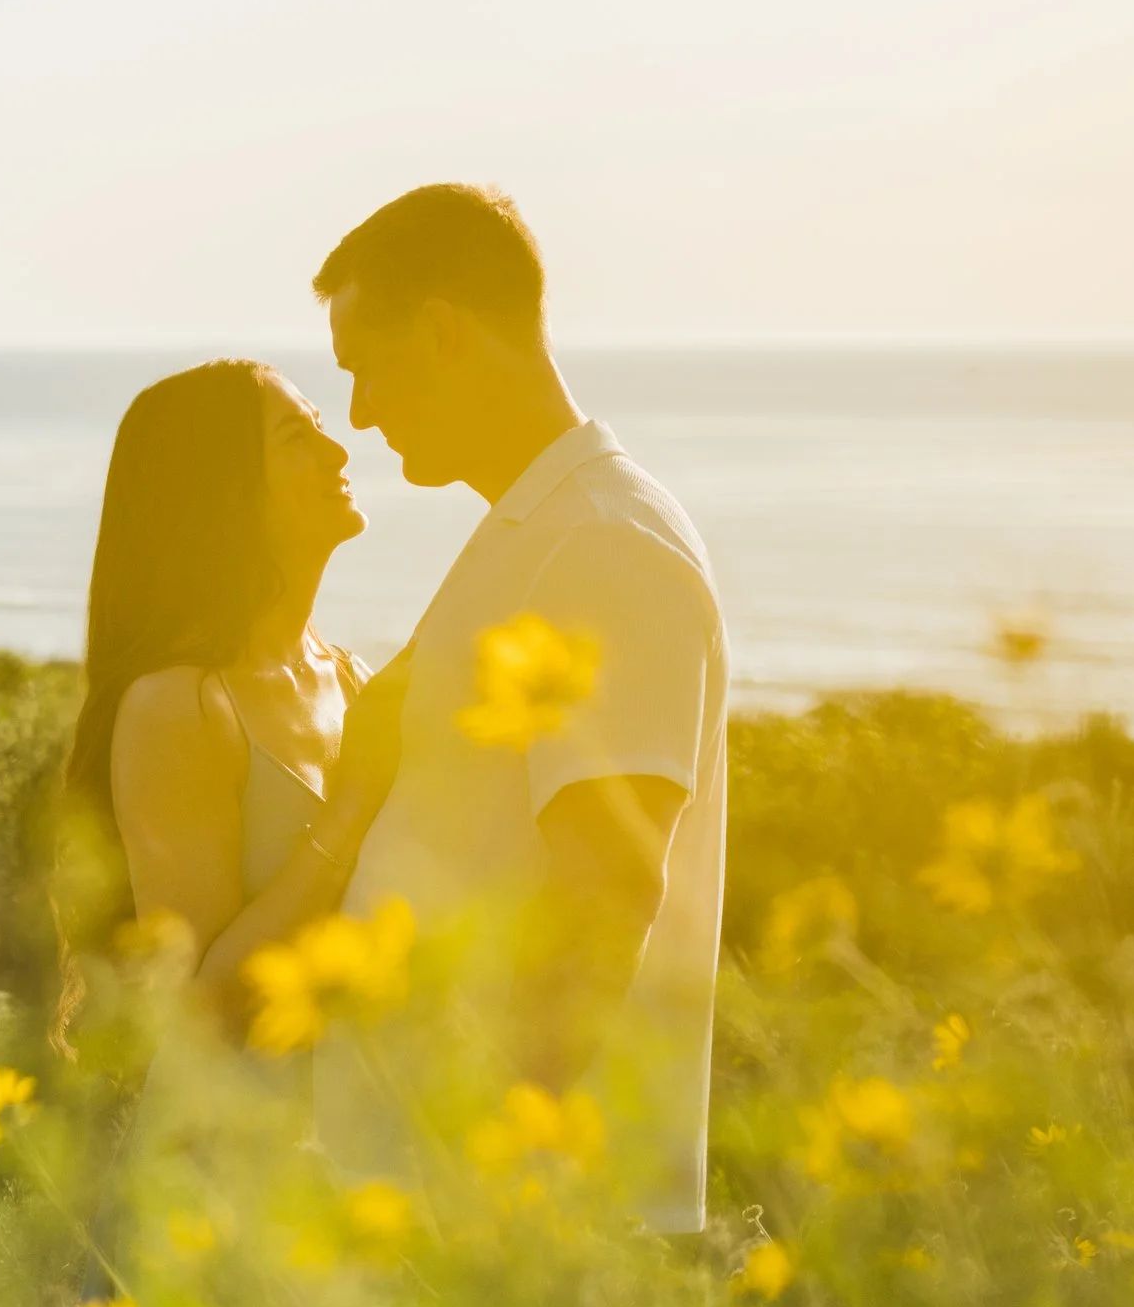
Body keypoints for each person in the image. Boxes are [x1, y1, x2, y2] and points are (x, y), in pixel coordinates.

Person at [308, 184, 727, 1238]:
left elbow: (607, 888)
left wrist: (496, 1175)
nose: (358, 410)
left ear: (442, 331)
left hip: (522, 1229)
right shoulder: (540, 529)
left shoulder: (600, 542)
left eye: (365, 366)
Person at [52, 358, 405, 1100]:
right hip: (224, 1168)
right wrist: (350, 810)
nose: (338, 453)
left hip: (348, 1149)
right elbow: (198, 1011)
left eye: (321, 429)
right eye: (296, 439)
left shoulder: (351, 681)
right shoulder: (179, 705)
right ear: (228, 496)